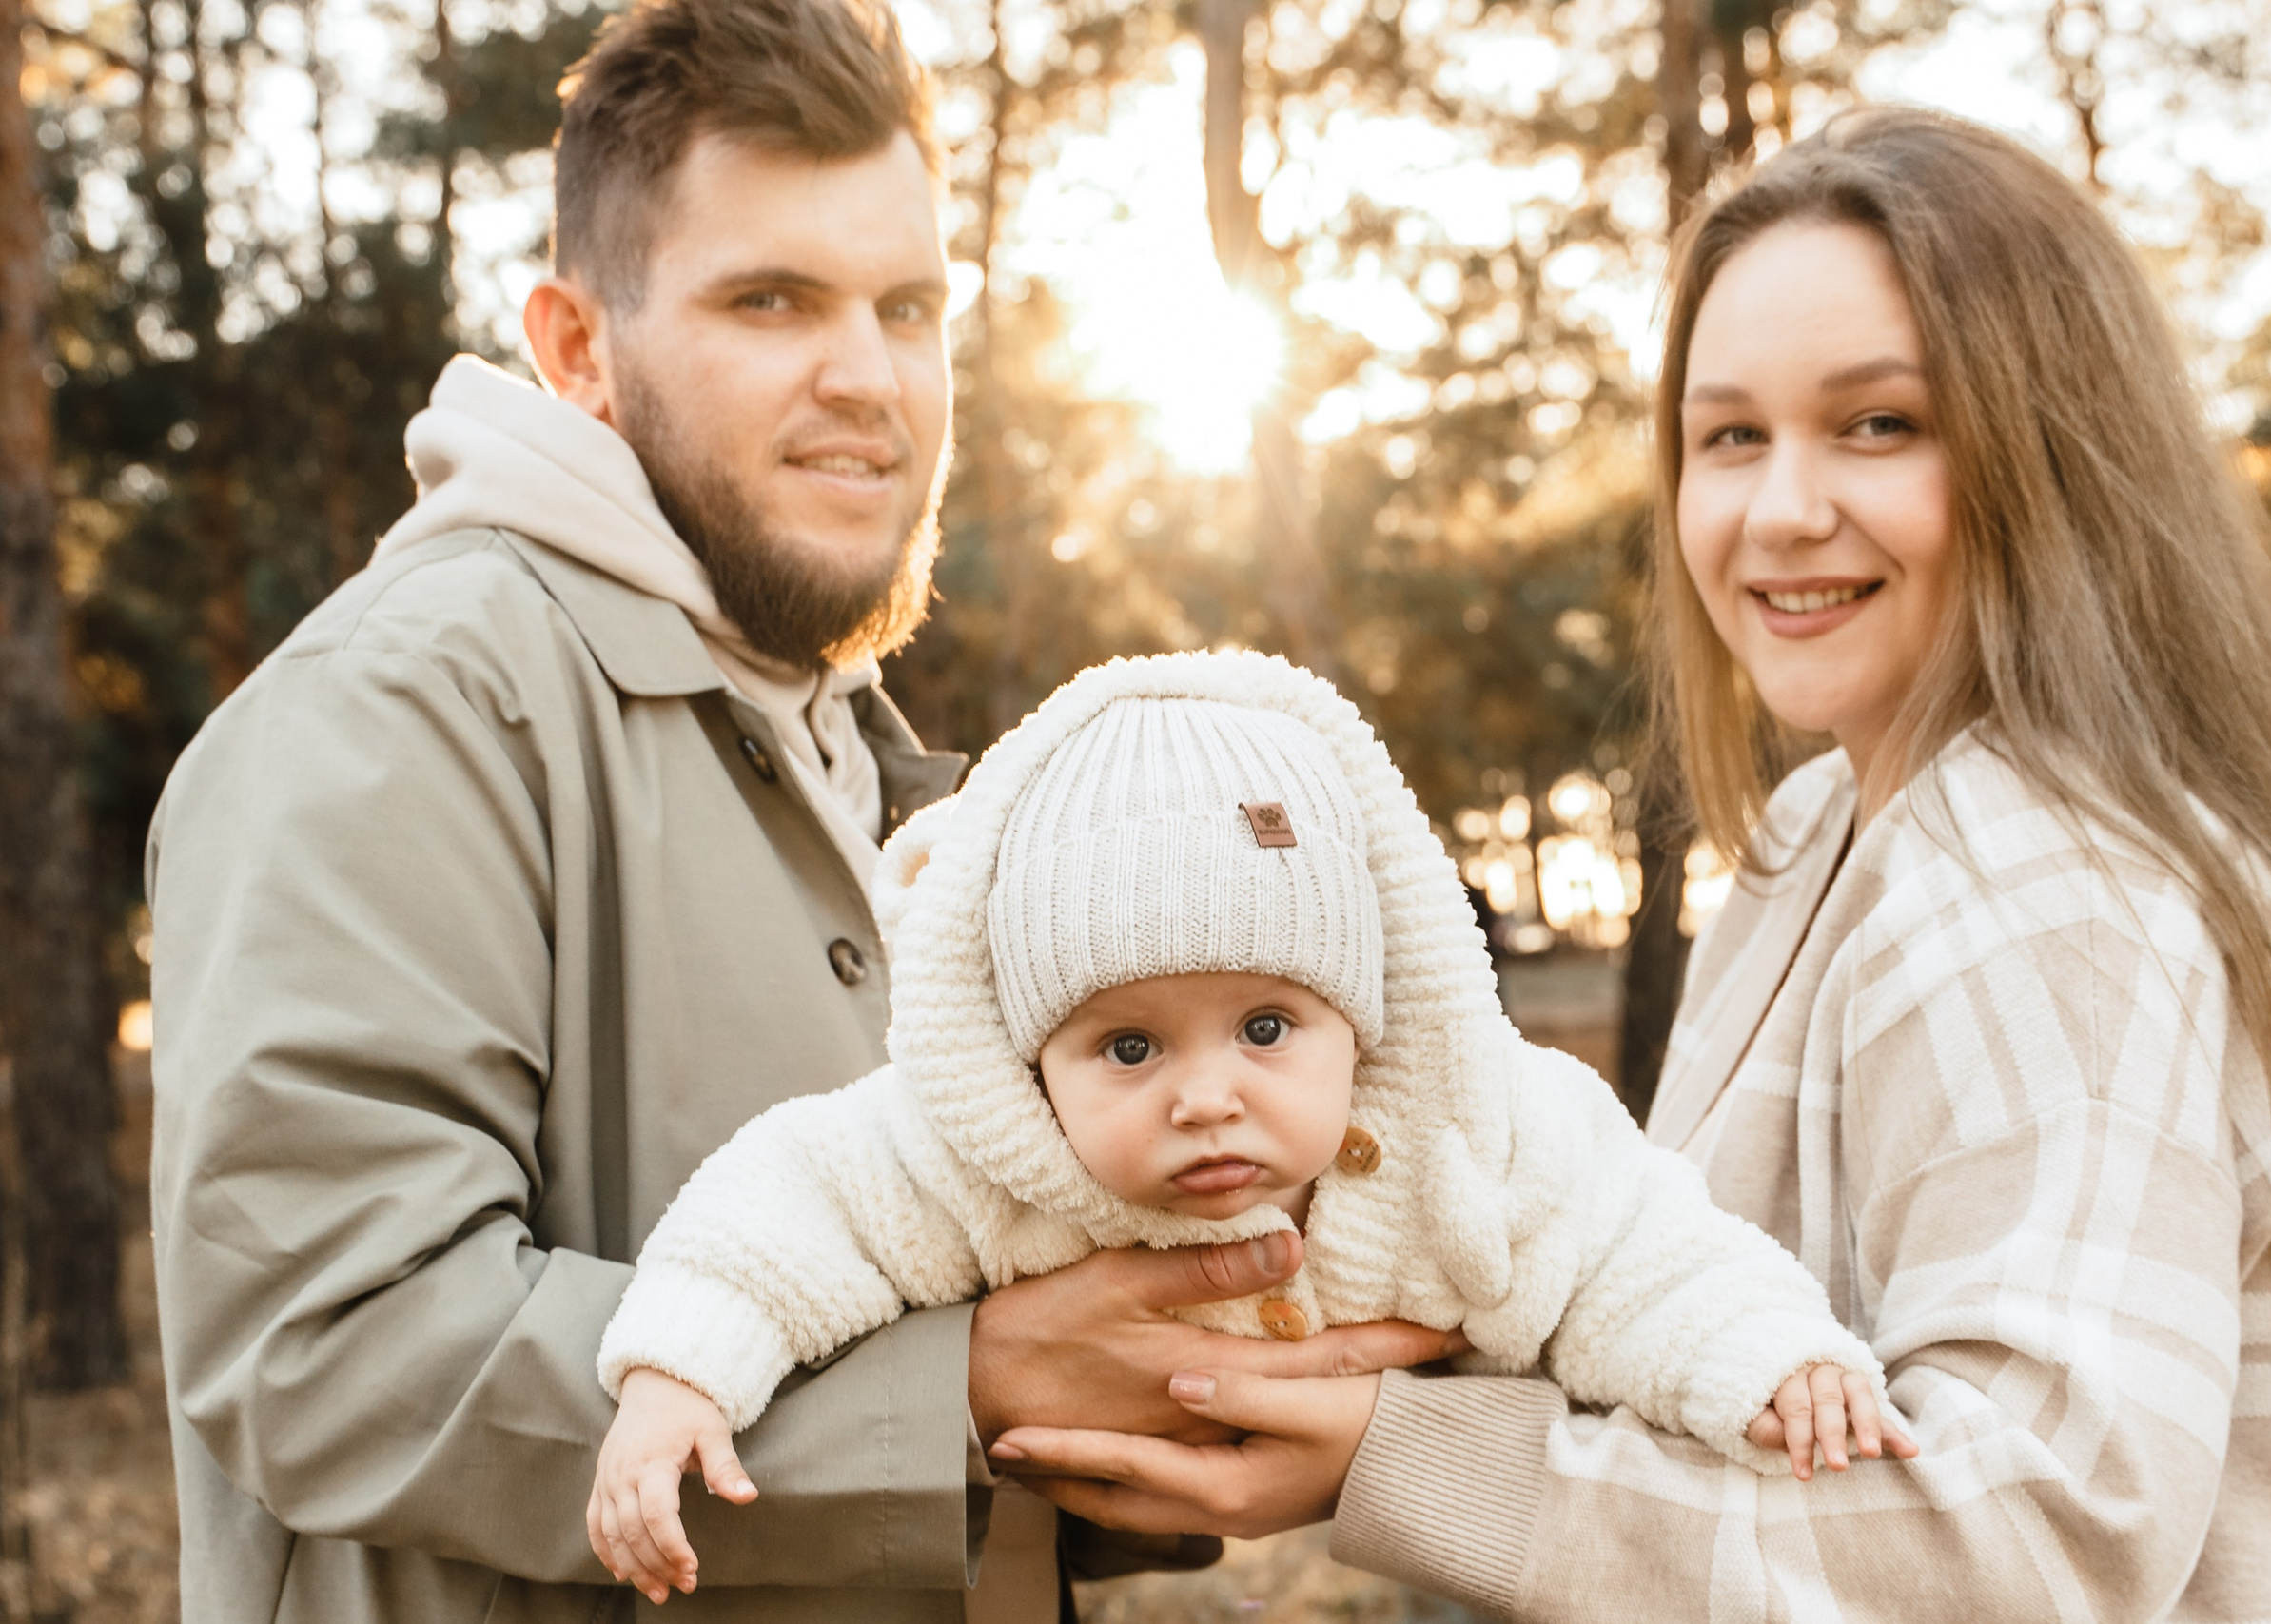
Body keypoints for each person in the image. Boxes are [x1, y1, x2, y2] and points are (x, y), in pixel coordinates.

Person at [980, 109, 2271, 1621]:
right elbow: (1678, 1316)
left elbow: (2035, 1545)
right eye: (1730, 435)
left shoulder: (2039, 874)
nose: (1780, 510)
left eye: (1879, 423)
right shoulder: (1824, 836)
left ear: (2049, 452)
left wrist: (1400, 1458)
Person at [143, 3, 1451, 1619]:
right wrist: (962, 1391)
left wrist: (1172, 1397)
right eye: (771, 301)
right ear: (576, 352)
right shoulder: (394, 711)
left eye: (910, 307)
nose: (867, 378)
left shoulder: (871, 758)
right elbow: (323, 1349)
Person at [581, 651, 1914, 1603]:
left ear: (1361, 1016)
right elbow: (787, 1205)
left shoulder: (1482, 1132)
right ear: (1033, 1059)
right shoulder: (976, 1157)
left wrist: (1772, 1357)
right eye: (1127, 1045)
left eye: (1267, 1028)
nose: (1205, 1093)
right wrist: (678, 1377)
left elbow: (1643, 1253)